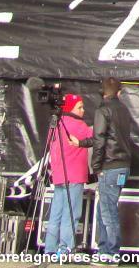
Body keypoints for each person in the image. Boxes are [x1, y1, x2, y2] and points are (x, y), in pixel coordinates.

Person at [43, 94, 93, 257]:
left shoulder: (56, 124)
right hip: (75, 176)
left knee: (56, 212)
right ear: (71, 108)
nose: (83, 110)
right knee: (71, 213)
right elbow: (95, 138)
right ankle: (65, 249)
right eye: (80, 107)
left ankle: (49, 248)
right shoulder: (80, 125)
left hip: (58, 176)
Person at [90, 77, 132, 259]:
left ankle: (110, 253)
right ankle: (104, 249)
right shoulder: (124, 110)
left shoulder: (103, 110)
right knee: (104, 208)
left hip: (109, 166)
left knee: (107, 211)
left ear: (103, 92)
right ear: (119, 92)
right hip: (123, 167)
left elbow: (100, 139)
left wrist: (96, 166)